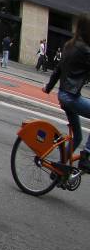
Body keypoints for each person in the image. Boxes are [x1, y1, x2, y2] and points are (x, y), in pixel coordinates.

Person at [44, 15, 90, 173]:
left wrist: (48, 88)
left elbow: (58, 70)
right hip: (71, 97)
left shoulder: (69, 45)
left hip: (63, 95)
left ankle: (60, 169)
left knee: (78, 136)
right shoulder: (85, 50)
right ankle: (86, 157)